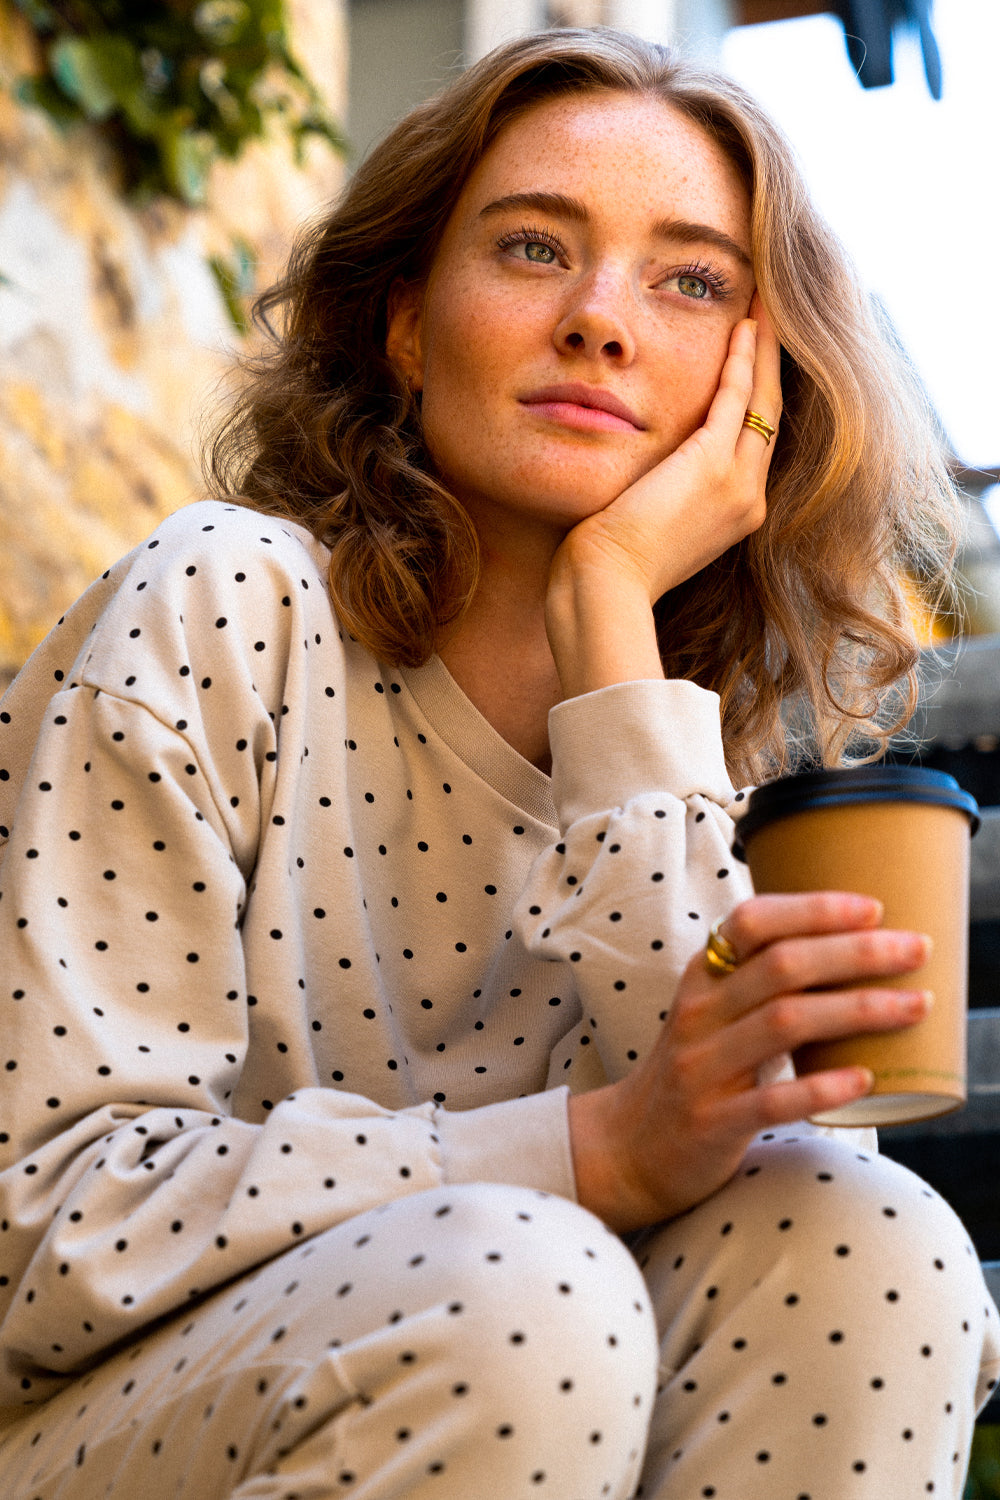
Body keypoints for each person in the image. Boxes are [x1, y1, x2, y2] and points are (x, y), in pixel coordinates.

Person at [0, 26, 996, 1500]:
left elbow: (706, 1148)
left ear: (758, 385)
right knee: (519, 1289)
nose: (602, 318)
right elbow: (40, 1233)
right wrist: (586, 1153)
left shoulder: (668, 747)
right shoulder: (228, 602)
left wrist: (610, 611)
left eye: (691, 280)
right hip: (92, 1426)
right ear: (407, 326)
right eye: (534, 250)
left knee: (875, 1249)